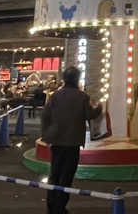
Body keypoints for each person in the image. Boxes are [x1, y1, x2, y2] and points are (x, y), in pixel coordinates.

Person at [41, 66, 102, 214]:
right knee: (66, 176)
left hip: (56, 140)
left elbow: (45, 116)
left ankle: (51, 206)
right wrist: (99, 108)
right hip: (72, 141)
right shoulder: (82, 96)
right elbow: (89, 115)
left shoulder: (55, 95)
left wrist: (47, 134)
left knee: (54, 174)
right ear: (77, 79)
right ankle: (60, 207)